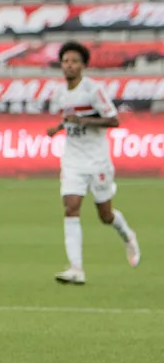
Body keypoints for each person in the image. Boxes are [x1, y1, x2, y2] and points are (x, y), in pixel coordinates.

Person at [46, 41, 140, 284]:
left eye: (74, 61)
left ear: (83, 65)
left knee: (105, 215)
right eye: (65, 61)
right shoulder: (60, 93)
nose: (69, 65)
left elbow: (113, 120)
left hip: (97, 160)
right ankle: (76, 268)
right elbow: (70, 120)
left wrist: (84, 121)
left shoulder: (93, 90)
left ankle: (128, 235)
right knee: (71, 207)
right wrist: (57, 127)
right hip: (73, 159)